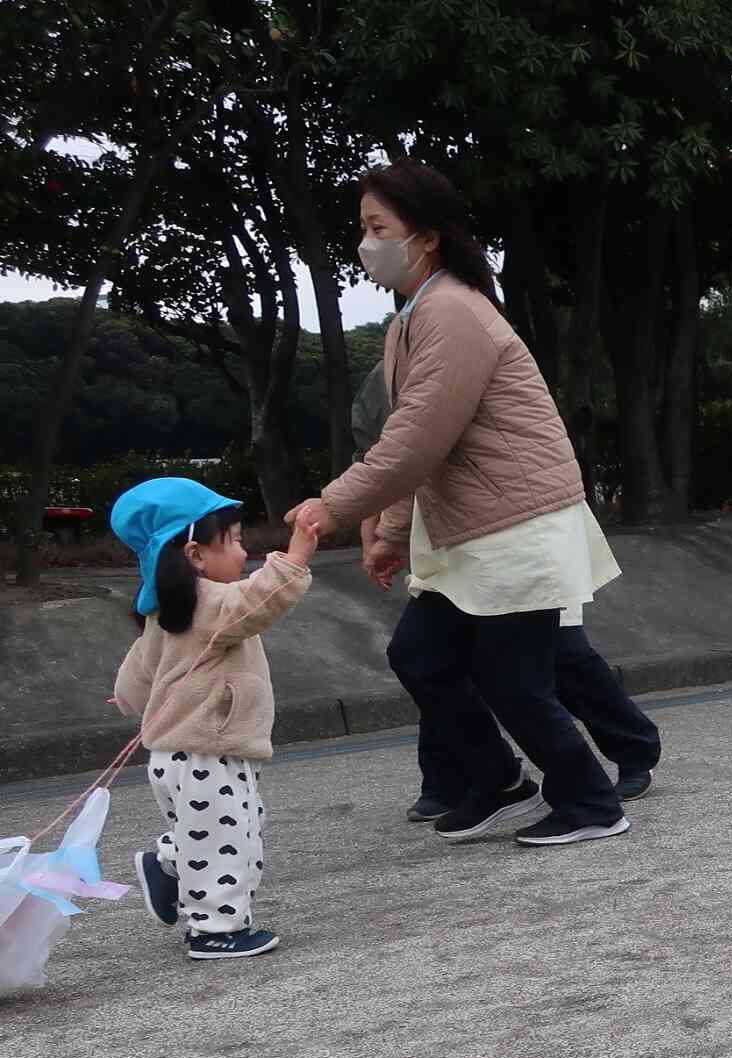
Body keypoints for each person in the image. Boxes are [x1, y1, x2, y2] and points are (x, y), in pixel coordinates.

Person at [285, 159, 627, 848]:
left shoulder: (453, 312)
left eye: (379, 228)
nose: (367, 243)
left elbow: (417, 439)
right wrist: (389, 532)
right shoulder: (413, 319)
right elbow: (417, 443)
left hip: (517, 525)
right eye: (363, 228)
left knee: (514, 681)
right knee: (420, 656)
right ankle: (500, 783)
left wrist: (333, 506)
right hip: (474, 529)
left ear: (427, 237)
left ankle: (592, 802)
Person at [354, 360, 659, 818]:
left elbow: (420, 452)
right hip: (452, 534)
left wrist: (376, 525)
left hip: (516, 529)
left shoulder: (469, 353)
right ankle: (453, 778)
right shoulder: (394, 369)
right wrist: (375, 524)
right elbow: (384, 460)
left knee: (559, 654)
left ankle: (629, 752)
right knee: (434, 658)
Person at [110, 479, 319, 960]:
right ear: (196, 555)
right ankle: (214, 929)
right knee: (226, 842)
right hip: (206, 751)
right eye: (235, 540)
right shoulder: (208, 602)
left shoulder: (167, 611)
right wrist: (295, 556)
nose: (244, 551)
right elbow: (257, 601)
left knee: (221, 827)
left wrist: (125, 698)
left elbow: (138, 675)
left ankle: (168, 865)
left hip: (181, 755)